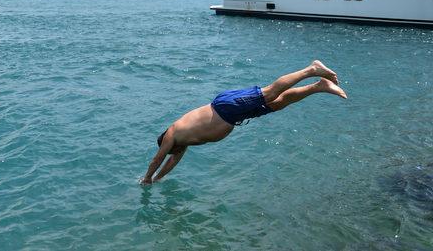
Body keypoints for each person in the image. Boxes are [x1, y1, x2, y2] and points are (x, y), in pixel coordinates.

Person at [141, 60, 347, 185]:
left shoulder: (172, 133)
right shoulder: (182, 145)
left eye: (169, 150)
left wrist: (147, 177)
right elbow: (170, 162)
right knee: (278, 103)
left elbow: (158, 159)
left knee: (270, 92)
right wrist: (158, 179)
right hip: (234, 116)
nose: (172, 153)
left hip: (225, 107)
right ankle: (318, 86)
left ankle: (311, 69)